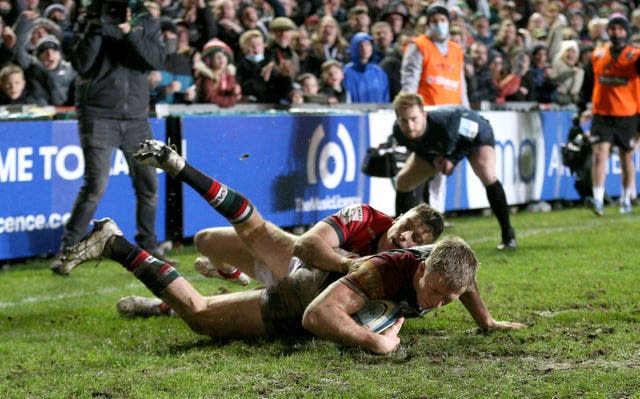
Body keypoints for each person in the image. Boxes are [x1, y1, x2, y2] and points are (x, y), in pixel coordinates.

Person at [110, 139, 444, 313]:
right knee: (204, 240)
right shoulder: (365, 216)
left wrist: (486, 321)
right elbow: (307, 246)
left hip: (304, 300)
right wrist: (346, 262)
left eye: (416, 237)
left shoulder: (412, 266)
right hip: (292, 261)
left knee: (210, 314)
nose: (406, 236)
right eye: (408, 224)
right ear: (399, 216)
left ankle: (156, 305)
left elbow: (460, 276)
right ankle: (232, 275)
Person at [51, 0, 168, 270]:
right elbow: (82, 63)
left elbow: (155, 59)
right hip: (98, 114)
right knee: (95, 185)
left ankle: (149, 245)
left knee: (148, 184)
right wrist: (96, 28)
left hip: (136, 116)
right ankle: (69, 249)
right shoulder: (91, 16)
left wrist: (130, 31)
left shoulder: (144, 19)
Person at [391, 92, 517, 250]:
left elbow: (472, 137)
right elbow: (418, 148)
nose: (410, 126)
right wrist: (433, 159)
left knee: (487, 174)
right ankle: (401, 240)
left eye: (414, 119)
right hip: (441, 150)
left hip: (475, 137)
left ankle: (508, 235)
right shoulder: (398, 131)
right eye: (404, 120)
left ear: (424, 114)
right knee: (403, 181)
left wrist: (453, 159)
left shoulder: (447, 121)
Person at [399, 4, 469, 219]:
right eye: (434, 20)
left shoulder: (456, 50)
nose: (439, 24)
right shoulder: (419, 46)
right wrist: (407, 109)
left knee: (441, 169)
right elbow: (409, 81)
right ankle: (413, 213)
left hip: (450, 116)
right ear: (428, 23)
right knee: (420, 164)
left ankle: (436, 215)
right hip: (425, 115)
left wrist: (466, 111)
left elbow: (460, 84)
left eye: (443, 19)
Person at [581, 15, 639, 215]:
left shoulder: (635, 55)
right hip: (602, 113)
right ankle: (597, 199)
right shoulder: (597, 55)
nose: (617, 33)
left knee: (626, 157)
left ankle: (626, 198)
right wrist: (583, 106)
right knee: (599, 154)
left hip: (628, 113)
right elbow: (588, 84)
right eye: (613, 29)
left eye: (620, 29)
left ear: (627, 31)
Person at [342, 32, 389, 103]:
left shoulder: (379, 72)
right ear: (354, 48)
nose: (364, 48)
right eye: (360, 46)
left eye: (367, 45)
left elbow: (385, 97)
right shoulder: (346, 72)